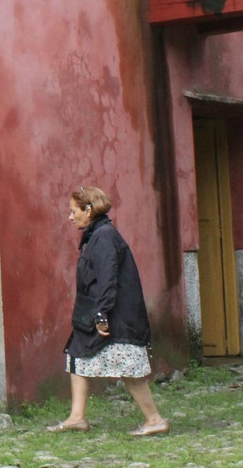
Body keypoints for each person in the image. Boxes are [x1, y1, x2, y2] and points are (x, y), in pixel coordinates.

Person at [47, 186, 169, 436]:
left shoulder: (103, 236)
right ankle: (77, 417)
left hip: (116, 316)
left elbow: (107, 278)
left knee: (127, 367)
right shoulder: (96, 235)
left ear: (88, 210)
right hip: (96, 312)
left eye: (74, 211)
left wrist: (101, 316)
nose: (70, 217)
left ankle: (155, 419)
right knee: (76, 355)